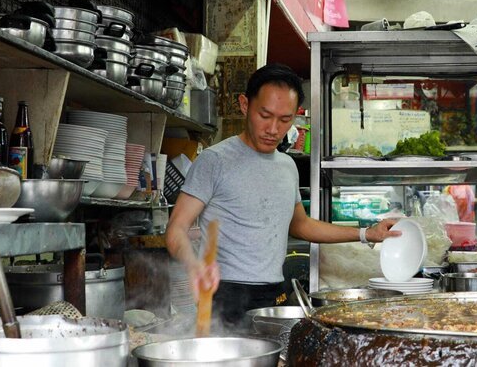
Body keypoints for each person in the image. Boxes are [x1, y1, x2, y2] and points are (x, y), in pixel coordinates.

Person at [165, 63, 400, 328]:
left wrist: (366, 234)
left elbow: (301, 225)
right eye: (265, 115)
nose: (274, 129)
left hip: (274, 295)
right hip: (223, 295)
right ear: (245, 105)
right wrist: (193, 265)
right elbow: (176, 229)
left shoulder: (287, 166)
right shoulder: (214, 161)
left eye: (285, 119)